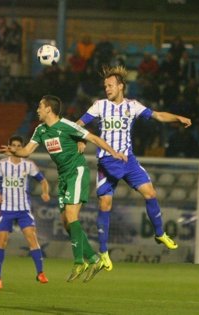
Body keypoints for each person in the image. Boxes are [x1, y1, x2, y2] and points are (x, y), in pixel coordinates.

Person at [0, 95, 127, 283]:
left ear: (49, 109)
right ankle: (94, 258)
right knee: (66, 222)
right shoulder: (40, 130)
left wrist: (114, 153)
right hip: (64, 177)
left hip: (77, 171)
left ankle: (78, 262)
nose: (37, 110)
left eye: (40, 106)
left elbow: (92, 137)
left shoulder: (66, 125)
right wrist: (11, 151)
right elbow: (26, 152)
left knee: (71, 214)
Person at [76, 65, 192, 271]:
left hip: (127, 160)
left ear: (121, 86)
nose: (107, 89)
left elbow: (158, 115)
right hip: (107, 161)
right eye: (105, 86)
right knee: (105, 204)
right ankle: (103, 253)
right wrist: (80, 138)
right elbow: (79, 123)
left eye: (110, 85)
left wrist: (177, 118)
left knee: (150, 192)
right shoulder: (99, 106)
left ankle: (159, 233)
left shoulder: (133, 105)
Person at [0, 135, 50, 290]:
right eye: (13, 145)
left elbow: (43, 180)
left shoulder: (28, 165)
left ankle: (40, 273)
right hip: (6, 210)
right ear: (9, 147)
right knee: (1, 241)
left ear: (22, 148)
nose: (15, 147)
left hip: (23, 210)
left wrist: (45, 192)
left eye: (18, 145)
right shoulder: (1, 165)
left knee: (32, 239)